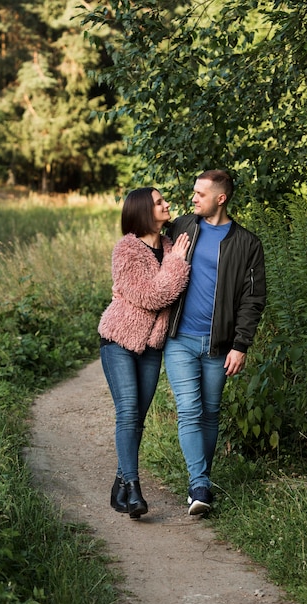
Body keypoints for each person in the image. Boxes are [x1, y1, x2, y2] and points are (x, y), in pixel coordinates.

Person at [164, 169, 266, 515]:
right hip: (180, 338)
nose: (193, 198)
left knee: (210, 413)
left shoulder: (247, 244)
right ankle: (200, 484)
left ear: (220, 198)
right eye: (194, 192)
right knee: (190, 410)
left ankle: (199, 484)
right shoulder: (181, 227)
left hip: (220, 344)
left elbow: (253, 299)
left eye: (200, 194)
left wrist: (241, 345)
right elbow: (145, 248)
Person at [98, 187, 190, 519]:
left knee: (138, 419)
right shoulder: (126, 248)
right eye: (159, 202)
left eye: (165, 200)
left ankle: (120, 484)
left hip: (151, 345)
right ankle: (134, 489)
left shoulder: (169, 246)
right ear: (142, 211)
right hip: (119, 340)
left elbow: (172, 294)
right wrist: (178, 264)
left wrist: (175, 258)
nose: (167, 205)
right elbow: (153, 295)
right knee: (128, 411)